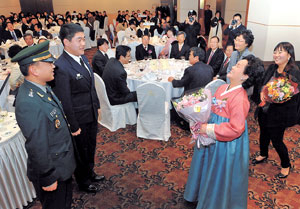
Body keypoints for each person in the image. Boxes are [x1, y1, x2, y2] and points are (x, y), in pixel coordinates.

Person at [184, 55, 264, 209]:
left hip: (225, 143)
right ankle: (202, 194)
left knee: (218, 173)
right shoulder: (222, 88)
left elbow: (235, 128)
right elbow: (210, 108)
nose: (233, 66)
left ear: (244, 76)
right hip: (210, 136)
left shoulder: (240, 99)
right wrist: (196, 115)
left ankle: (214, 202)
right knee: (207, 167)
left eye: (238, 66)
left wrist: (207, 128)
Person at [13, 41, 76, 209]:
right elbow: (37, 145)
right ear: (34, 70)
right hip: (52, 170)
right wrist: (48, 176)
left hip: (61, 165)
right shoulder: (29, 102)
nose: (53, 66)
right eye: (48, 63)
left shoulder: (42, 87)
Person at [51, 23, 104, 193]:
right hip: (78, 119)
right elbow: (65, 100)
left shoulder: (81, 58)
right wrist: (74, 126)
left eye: (83, 39)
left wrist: (97, 106)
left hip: (90, 113)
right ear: (66, 42)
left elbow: (91, 86)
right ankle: (83, 180)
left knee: (91, 146)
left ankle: (90, 172)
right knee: (80, 151)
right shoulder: (62, 66)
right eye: (79, 40)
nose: (83, 44)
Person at [252, 42, 300, 178]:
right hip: (265, 109)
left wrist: (276, 97)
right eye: (275, 52)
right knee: (263, 134)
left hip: (280, 113)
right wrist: (263, 92)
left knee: (277, 140)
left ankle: (286, 164)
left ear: (289, 55)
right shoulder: (272, 67)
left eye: (280, 52)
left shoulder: (293, 71)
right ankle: (263, 154)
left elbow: (293, 94)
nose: (276, 55)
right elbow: (264, 83)